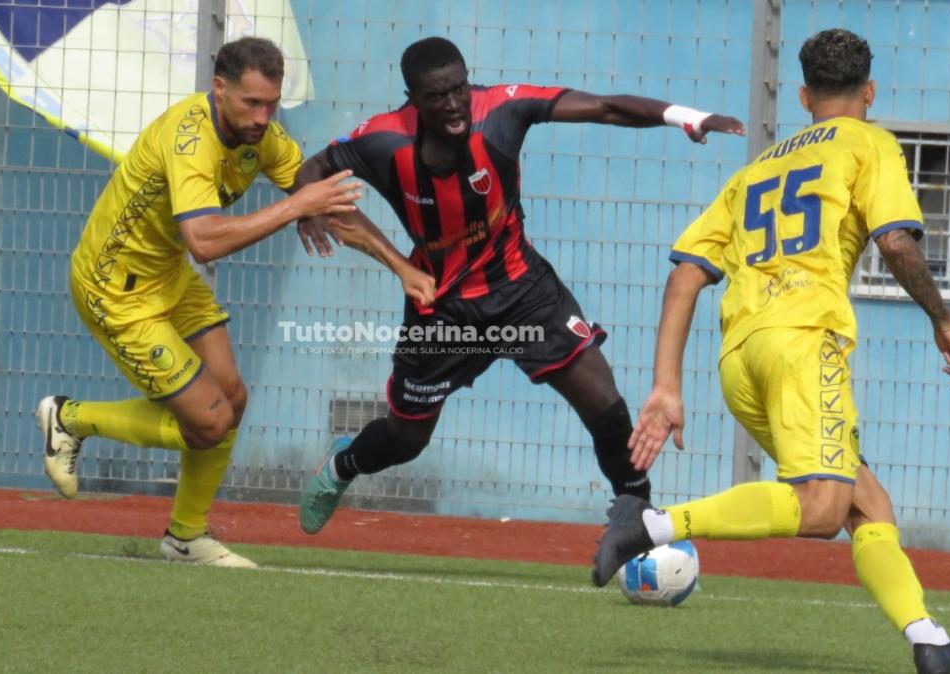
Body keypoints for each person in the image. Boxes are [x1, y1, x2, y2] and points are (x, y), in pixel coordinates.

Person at [592, 29, 950, 674]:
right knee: (822, 507)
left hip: (740, 356)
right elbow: (895, 242)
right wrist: (943, 320)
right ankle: (652, 526)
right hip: (806, 343)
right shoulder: (869, 142)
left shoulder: (756, 169)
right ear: (871, 91)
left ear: (803, 95)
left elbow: (685, 274)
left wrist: (667, 386)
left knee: (866, 503)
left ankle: (931, 642)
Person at [291, 36, 743, 536]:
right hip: (440, 309)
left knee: (605, 405)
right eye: (437, 96)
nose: (454, 104)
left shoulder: (503, 110)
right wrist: (309, 207)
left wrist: (685, 116)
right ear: (412, 100)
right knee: (406, 440)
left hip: (524, 295)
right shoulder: (383, 140)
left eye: (459, 89)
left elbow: (606, 107)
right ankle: (341, 467)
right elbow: (311, 172)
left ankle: (638, 523)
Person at [35, 37, 425, 568]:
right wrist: (295, 208)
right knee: (211, 422)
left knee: (232, 400)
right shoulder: (190, 140)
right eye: (252, 103)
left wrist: (400, 266)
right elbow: (206, 240)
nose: (264, 117)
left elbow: (322, 199)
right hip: (115, 289)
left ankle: (185, 537)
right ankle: (71, 417)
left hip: (168, 275)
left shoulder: (259, 137)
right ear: (219, 90)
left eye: (272, 104)